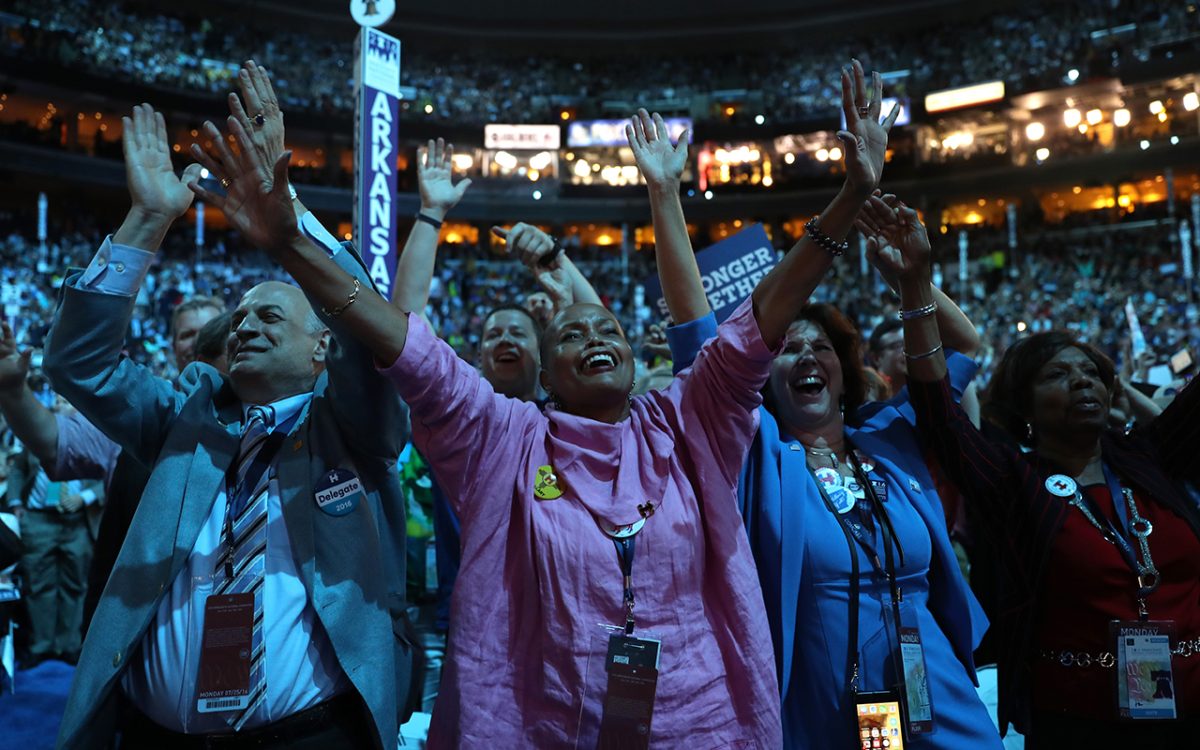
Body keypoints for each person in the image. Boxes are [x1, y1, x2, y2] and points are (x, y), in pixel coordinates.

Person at [188, 76, 798, 749]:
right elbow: (406, 337)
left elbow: (686, 341)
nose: (595, 341)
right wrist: (300, 240)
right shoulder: (498, 436)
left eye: (607, 334)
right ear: (544, 377)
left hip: (696, 722)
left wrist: (656, 202)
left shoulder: (676, 430)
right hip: (534, 713)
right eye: (567, 337)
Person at [44, 74, 416, 750]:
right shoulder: (184, 415)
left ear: (320, 347)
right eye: (239, 317)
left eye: (269, 314)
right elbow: (79, 364)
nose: (243, 326)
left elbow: (373, 334)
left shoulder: (356, 431)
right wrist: (148, 219)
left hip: (310, 737)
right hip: (157, 737)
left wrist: (291, 230)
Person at [637, 60, 999, 748]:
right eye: (786, 348)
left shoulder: (892, 436)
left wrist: (914, 280)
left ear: (846, 366)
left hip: (932, 681)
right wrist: (665, 195)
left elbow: (963, 350)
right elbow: (698, 346)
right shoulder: (756, 458)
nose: (805, 357)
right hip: (818, 689)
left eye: (821, 347)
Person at [872, 193, 1200, 748]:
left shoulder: (1149, 459)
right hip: (1077, 721)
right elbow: (939, 416)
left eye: (1091, 373)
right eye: (1057, 374)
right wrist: (913, 285)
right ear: (1024, 406)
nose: (1081, 381)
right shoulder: (1012, 480)